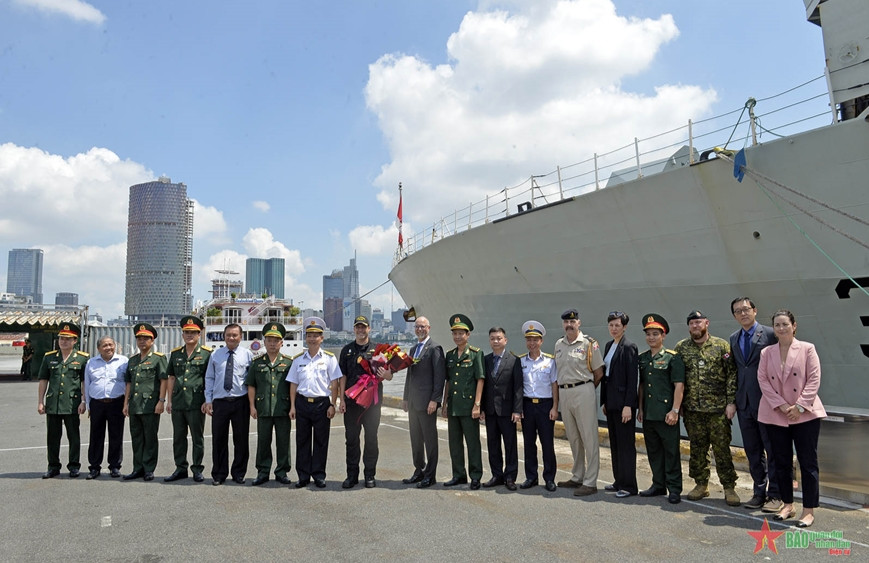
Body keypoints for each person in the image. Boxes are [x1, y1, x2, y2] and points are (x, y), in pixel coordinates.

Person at [757, 310, 826, 528]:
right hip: (777, 413)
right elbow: (763, 380)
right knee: (781, 462)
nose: (781, 328)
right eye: (777, 325)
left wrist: (800, 406)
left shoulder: (807, 349)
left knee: (808, 463)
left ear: (794, 325)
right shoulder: (767, 352)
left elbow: (814, 379)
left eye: (785, 324)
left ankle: (808, 510)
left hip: (805, 415)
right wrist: (782, 405)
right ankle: (788, 504)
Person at [675, 310, 740, 506]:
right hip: (693, 410)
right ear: (688, 327)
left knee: (721, 449)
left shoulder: (721, 346)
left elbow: (731, 375)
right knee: (697, 448)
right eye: (692, 323)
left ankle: (729, 487)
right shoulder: (681, 348)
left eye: (698, 322)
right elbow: (677, 379)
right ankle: (701, 484)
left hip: (718, 410)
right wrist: (678, 406)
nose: (695, 326)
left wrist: (731, 402)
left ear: (706, 323)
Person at [729, 297, 781, 512]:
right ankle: (758, 492)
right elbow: (736, 370)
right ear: (734, 315)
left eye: (746, 309)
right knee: (752, 451)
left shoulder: (770, 334)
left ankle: (776, 494)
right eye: (738, 311)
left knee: (773, 449)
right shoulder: (733, 338)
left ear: (755, 311)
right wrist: (732, 400)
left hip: (768, 402)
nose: (743, 314)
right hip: (744, 403)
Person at [554, 308, 604, 497]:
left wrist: (587, 389)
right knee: (573, 437)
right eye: (566, 322)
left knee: (589, 437)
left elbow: (599, 372)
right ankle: (577, 475)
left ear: (579, 323)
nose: (569, 325)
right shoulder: (559, 344)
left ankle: (590, 482)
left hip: (583, 390)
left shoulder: (589, 344)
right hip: (565, 392)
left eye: (572, 322)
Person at [288, 316, 341, 488]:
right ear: (306, 337)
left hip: (321, 404)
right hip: (302, 403)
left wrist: (333, 404)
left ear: (322, 338)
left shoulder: (329, 358)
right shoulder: (298, 360)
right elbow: (293, 384)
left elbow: (335, 383)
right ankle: (303, 475)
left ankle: (318, 474)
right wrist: (292, 406)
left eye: (315, 335)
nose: (312, 339)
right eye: (309, 335)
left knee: (321, 440)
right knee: (302, 440)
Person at [339, 315, 392, 489]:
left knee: (371, 439)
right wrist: (341, 400)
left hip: (372, 404)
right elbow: (343, 377)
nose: (361, 330)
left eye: (364, 327)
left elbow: (390, 374)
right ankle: (351, 476)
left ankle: (370, 474)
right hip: (351, 403)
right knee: (351, 440)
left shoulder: (379, 351)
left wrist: (386, 375)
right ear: (354, 329)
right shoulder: (346, 350)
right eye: (358, 327)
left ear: (369, 329)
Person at [637, 314, 684, 504]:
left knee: (671, 452)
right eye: (648, 334)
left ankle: (674, 488)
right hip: (649, 414)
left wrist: (675, 410)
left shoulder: (673, 358)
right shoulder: (643, 358)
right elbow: (641, 386)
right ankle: (658, 484)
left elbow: (679, 386)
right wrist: (640, 409)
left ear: (663, 336)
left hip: (667, 414)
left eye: (655, 334)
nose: (651, 338)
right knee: (654, 451)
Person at [204, 323, 254, 486]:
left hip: (240, 401)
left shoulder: (248, 355)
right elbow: (209, 378)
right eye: (228, 335)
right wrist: (208, 400)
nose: (231, 338)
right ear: (224, 336)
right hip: (220, 402)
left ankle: (239, 473)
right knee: (219, 439)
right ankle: (219, 473)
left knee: (241, 439)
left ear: (241, 337)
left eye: (235, 335)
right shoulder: (215, 355)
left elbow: (252, 381)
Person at [37, 323, 88, 478]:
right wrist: (40, 401)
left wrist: (84, 401)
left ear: (75, 341)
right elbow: (43, 380)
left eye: (67, 339)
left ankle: (74, 466)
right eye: (61, 338)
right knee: (52, 437)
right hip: (53, 404)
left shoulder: (82, 358)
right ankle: (53, 466)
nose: (63, 341)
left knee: (74, 436)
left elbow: (84, 382)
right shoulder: (49, 357)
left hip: (72, 404)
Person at [400, 316, 446, 489]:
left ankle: (430, 475)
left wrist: (435, 400)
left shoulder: (435, 349)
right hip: (413, 402)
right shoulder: (413, 349)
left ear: (429, 328)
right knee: (415, 439)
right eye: (417, 326)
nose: (419, 329)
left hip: (427, 403)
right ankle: (418, 470)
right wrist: (405, 398)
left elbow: (439, 377)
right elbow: (409, 375)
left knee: (430, 440)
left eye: (423, 326)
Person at [165, 315, 212, 483]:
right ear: (182, 334)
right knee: (178, 437)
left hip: (196, 402)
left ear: (199, 334)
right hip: (178, 401)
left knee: (197, 437)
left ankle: (197, 469)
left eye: (193, 332)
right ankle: (180, 468)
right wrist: (169, 401)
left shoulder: (207, 354)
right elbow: (171, 377)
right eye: (186, 332)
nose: (189, 335)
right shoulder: (176, 354)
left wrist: (208, 400)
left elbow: (209, 379)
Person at [441, 314, 485, 490]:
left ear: (468, 335)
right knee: (454, 443)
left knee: (473, 443)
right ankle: (458, 475)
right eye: (455, 333)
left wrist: (477, 404)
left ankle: (475, 476)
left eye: (461, 333)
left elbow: (480, 379)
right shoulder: (450, 355)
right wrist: (444, 404)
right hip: (453, 406)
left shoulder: (476, 354)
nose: (458, 337)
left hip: (469, 407)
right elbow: (448, 382)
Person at [247, 322, 293, 486]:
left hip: (283, 408)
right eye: (269, 340)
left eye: (276, 340)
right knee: (263, 441)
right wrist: (252, 406)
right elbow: (251, 385)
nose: (272, 343)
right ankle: (263, 471)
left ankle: (282, 471)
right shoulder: (257, 362)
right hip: (263, 408)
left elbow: (293, 386)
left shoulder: (289, 362)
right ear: (264, 342)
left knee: (283, 441)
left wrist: (293, 406)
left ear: (282, 343)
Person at [122, 323, 168, 481]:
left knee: (150, 437)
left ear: (152, 340)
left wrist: (161, 401)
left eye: (146, 338)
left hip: (150, 405)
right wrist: (125, 404)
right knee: (136, 437)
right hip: (135, 405)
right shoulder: (132, 360)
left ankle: (149, 468)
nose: (142, 341)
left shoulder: (158, 359)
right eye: (139, 338)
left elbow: (164, 380)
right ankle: (138, 468)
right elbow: (128, 383)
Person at [600, 311, 639, 498]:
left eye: (617, 325)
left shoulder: (629, 347)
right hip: (612, 403)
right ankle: (618, 481)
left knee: (626, 446)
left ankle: (629, 486)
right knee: (615, 444)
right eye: (611, 325)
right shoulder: (609, 346)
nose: (614, 328)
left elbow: (633, 379)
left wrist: (628, 405)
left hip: (623, 404)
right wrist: (604, 401)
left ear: (624, 327)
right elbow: (607, 377)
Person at [518, 320, 558, 492]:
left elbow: (555, 385)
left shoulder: (550, 361)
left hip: (545, 405)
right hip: (527, 405)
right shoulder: (520, 361)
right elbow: (518, 387)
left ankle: (549, 478)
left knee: (547, 443)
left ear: (541, 341)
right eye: (529, 339)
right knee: (529, 443)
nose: (532, 343)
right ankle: (531, 477)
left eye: (535, 339)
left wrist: (555, 407)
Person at [481, 327, 523, 491]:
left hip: (507, 411)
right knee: (493, 444)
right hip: (491, 411)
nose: (495, 341)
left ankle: (510, 477)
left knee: (510, 445)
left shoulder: (514, 360)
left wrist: (517, 410)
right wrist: (482, 408)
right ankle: (497, 475)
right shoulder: (485, 360)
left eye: (499, 338)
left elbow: (518, 387)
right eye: (492, 338)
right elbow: (483, 386)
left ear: (505, 340)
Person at [83, 336, 128, 479]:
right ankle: (94, 467)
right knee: (96, 436)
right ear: (98, 348)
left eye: (111, 345)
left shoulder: (124, 361)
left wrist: (127, 404)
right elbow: (87, 384)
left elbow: (128, 384)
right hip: (97, 404)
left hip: (116, 403)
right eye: (105, 345)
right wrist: (88, 405)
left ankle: (114, 466)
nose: (108, 348)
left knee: (116, 435)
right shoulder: (91, 362)